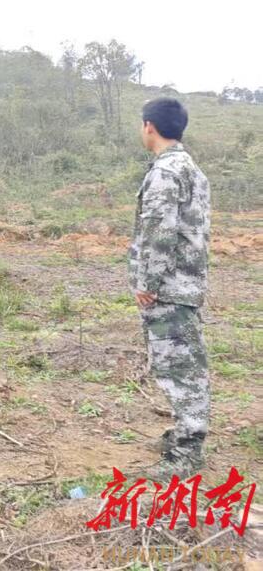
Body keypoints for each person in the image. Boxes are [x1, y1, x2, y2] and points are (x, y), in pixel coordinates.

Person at [129, 98, 211, 478]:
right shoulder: (190, 167)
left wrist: (148, 283)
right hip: (185, 283)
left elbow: (160, 231)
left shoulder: (166, 172)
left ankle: (187, 453)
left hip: (169, 288)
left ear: (149, 126)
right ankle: (183, 435)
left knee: (179, 370)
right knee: (186, 364)